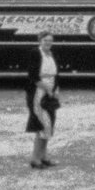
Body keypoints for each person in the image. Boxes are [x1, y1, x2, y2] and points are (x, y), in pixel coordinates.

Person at [25, 32, 61, 169]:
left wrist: (56, 90)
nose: (48, 43)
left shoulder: (52, 53)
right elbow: (33, 75)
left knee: (49, 125)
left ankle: (44, 156)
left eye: (50, 40)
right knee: (43, 124)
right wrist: (48, 89)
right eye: (45, 40)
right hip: (38, 93)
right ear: (40, 40)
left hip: (51, 93)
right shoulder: (35, 53)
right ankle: (35, 158)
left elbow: (56, 75)